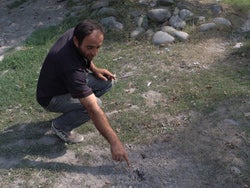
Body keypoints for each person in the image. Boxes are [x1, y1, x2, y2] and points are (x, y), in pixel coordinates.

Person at [36, 20, 130, 166]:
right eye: (90, 47)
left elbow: (84, 55)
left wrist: (95, 70)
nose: (94, 52)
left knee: (107, 82)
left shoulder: (77, 33)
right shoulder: (71, 68)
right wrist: (115, 142)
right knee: (93, 105)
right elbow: (93, 109)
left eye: (98, 47)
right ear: (76, 41)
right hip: (51, 98)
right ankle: (61, 126)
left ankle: (73, 111)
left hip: (65, 84)